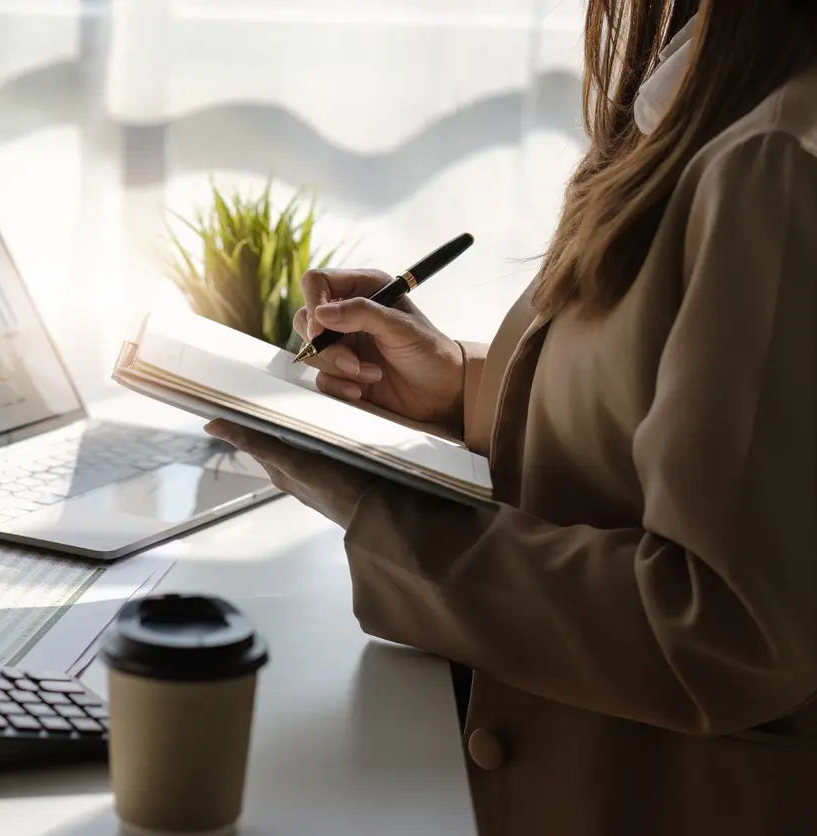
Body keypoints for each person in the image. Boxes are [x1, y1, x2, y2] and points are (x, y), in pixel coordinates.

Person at [204, 2, 817, 834]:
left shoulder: (777, 156)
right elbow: (663, 409)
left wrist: (382, 510)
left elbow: (724, 632)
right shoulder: (701, 88)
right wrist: (457, 387)